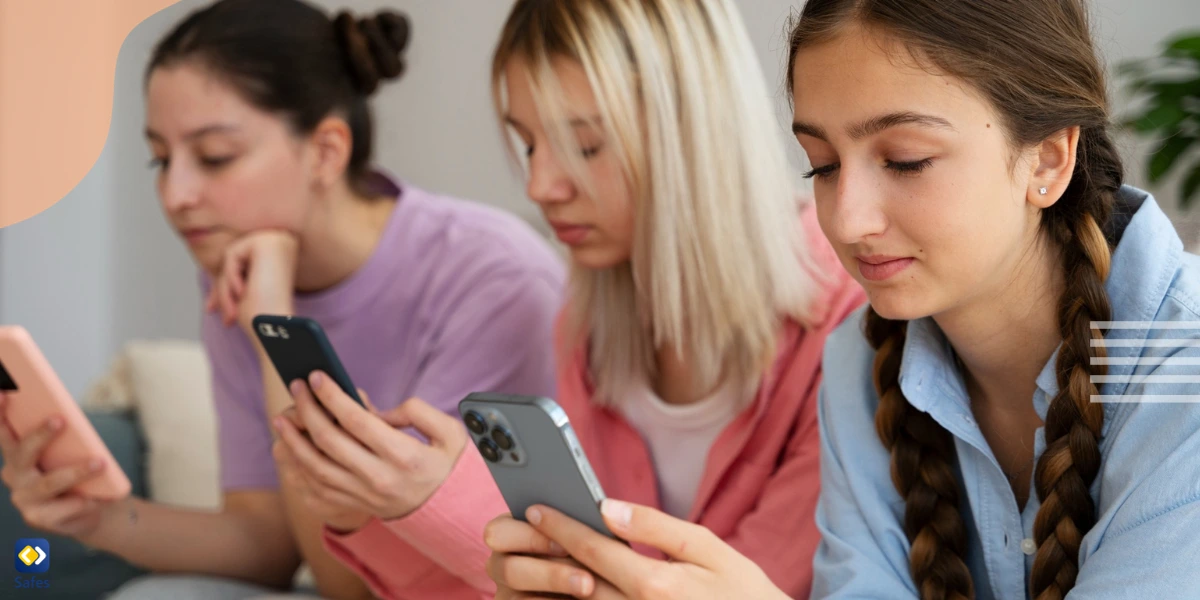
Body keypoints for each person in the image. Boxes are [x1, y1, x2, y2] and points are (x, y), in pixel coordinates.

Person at [473, 0, 1200, 598]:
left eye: (905, 160)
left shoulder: (1184, 362)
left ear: (1047, 159)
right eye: (820, 166)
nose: (847, 221)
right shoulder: (861, 361)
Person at [277, 0, 862, 598]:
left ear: (695, 131)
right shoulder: (587, 328)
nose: (539, 187)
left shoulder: (849, 324)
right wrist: (376, 507)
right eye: (528, 145)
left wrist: (445, 502)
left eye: (583, 146)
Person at [0, 1, 564, 598]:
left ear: (325, 152)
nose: (175, 194)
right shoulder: (242, 271)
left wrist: (274, 329)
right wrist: (101, 518)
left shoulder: (494, 277)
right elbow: (266, 540)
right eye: (161, 160)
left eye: (215, 157)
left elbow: (352, 582)